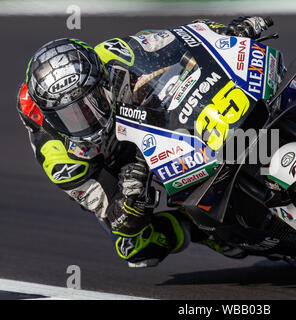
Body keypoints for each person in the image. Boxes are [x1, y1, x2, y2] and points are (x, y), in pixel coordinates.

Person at [16, 16, 273, 267]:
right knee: (135, 248)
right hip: (116, 163)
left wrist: (225, 34)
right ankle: (202, 231)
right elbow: (114, 216)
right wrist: (130, 200)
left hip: (146, 116)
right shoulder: (60, 160)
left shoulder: (111, 54)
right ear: (52, 120)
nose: (90, 116)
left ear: (101, 80)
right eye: (74, 115)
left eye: (93, 101)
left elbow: (181, 37)